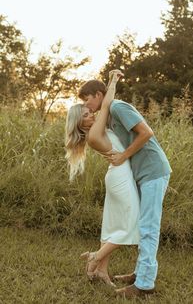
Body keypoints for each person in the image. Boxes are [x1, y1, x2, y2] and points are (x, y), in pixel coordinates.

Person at [78, 75, 172, 298]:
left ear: (98, 95)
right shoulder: (108, 115)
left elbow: (147, 133)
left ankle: (145, 285)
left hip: (153, 171)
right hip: (140, 174)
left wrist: (123, 156)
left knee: (148, 228)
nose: (86, 105)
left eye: (87, 99)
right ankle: (140, 273)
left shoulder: (118, 107)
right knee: (143, 225)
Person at [65, 70, 140, 287]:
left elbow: (105, 108)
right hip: (120, 177)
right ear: (81, 123)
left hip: (118, 174)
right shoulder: (94, 133)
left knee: (111, 225)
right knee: (130, 223)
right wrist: (113, 81)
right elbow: (106, 105)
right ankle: (95, 257)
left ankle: (102, 271)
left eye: (89, 112)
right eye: (86, 115)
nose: (91, 114)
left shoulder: (97, 130)